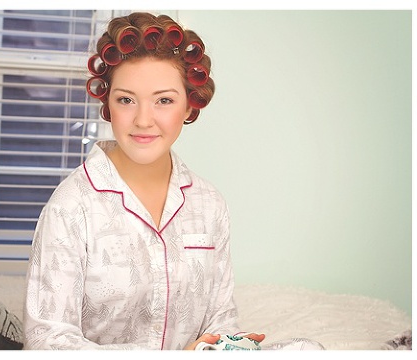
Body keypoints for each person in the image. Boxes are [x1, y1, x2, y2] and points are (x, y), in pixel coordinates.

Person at [23, 12, 323, 350]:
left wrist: (227, 345)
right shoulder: (70, 206)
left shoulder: (209, 204)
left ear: (188, 106)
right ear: (108, 103)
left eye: (164, 100)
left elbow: (220, 320)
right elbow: (46, 341)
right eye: (126, 100)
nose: (143, 120)